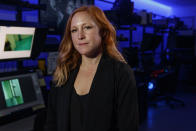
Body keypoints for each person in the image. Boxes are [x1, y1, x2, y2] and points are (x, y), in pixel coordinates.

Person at [44, 5, 139, 131]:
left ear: (103, 32)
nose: (80, 36)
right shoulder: (63, 71)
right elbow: (51, 122)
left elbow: (128, 127)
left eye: (87, 27)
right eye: (74, 30)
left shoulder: (121, 73)